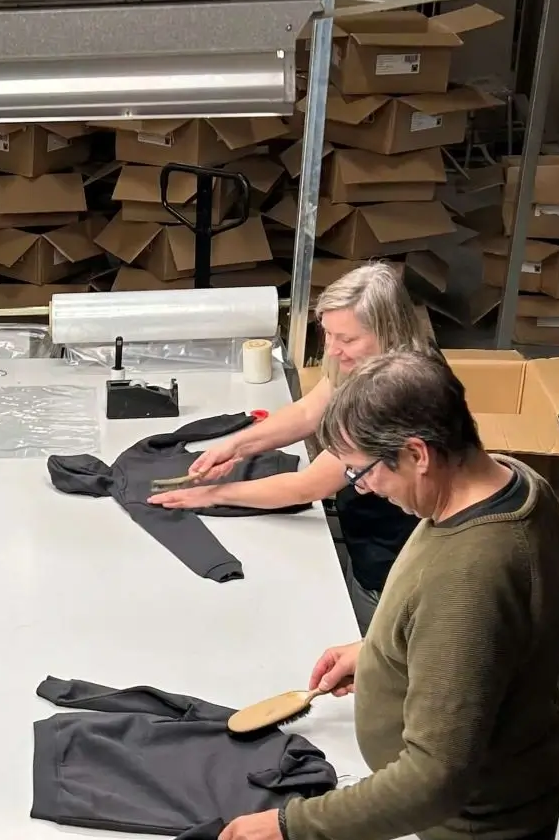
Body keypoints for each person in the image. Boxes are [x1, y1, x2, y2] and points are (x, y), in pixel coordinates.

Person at [214, 351, 559, 840]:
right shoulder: (504, 481)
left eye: (370, 472)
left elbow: (435, 776)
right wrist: (382, 649)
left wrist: (292, 827)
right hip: (491, 797)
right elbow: (481, 640)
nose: (367, 489)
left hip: (473, 838)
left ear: (419, 451)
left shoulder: (475, 570)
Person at [148, 263, 431, 619]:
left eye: (347, 339)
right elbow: (308, 412)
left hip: (390, 562)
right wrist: (233, 446)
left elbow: (305, 486)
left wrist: (210, 495)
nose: (333, 349)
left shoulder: (398, 394)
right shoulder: (367, 364)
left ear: (388, 332)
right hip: (366, 533)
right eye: (328, 334)